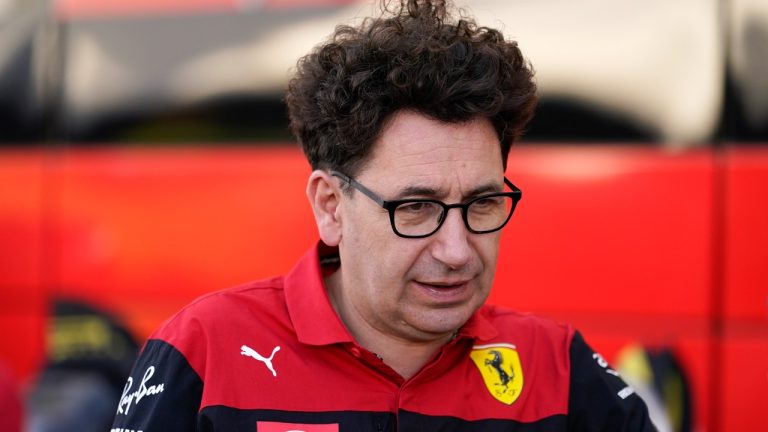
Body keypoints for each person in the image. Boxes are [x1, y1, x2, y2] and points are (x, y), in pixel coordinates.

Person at [111, 0, 656, 430]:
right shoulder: (205, 350)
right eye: (416, 208)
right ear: (330, 206)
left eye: (482, 203)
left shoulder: (558, 369)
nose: (457, 250)